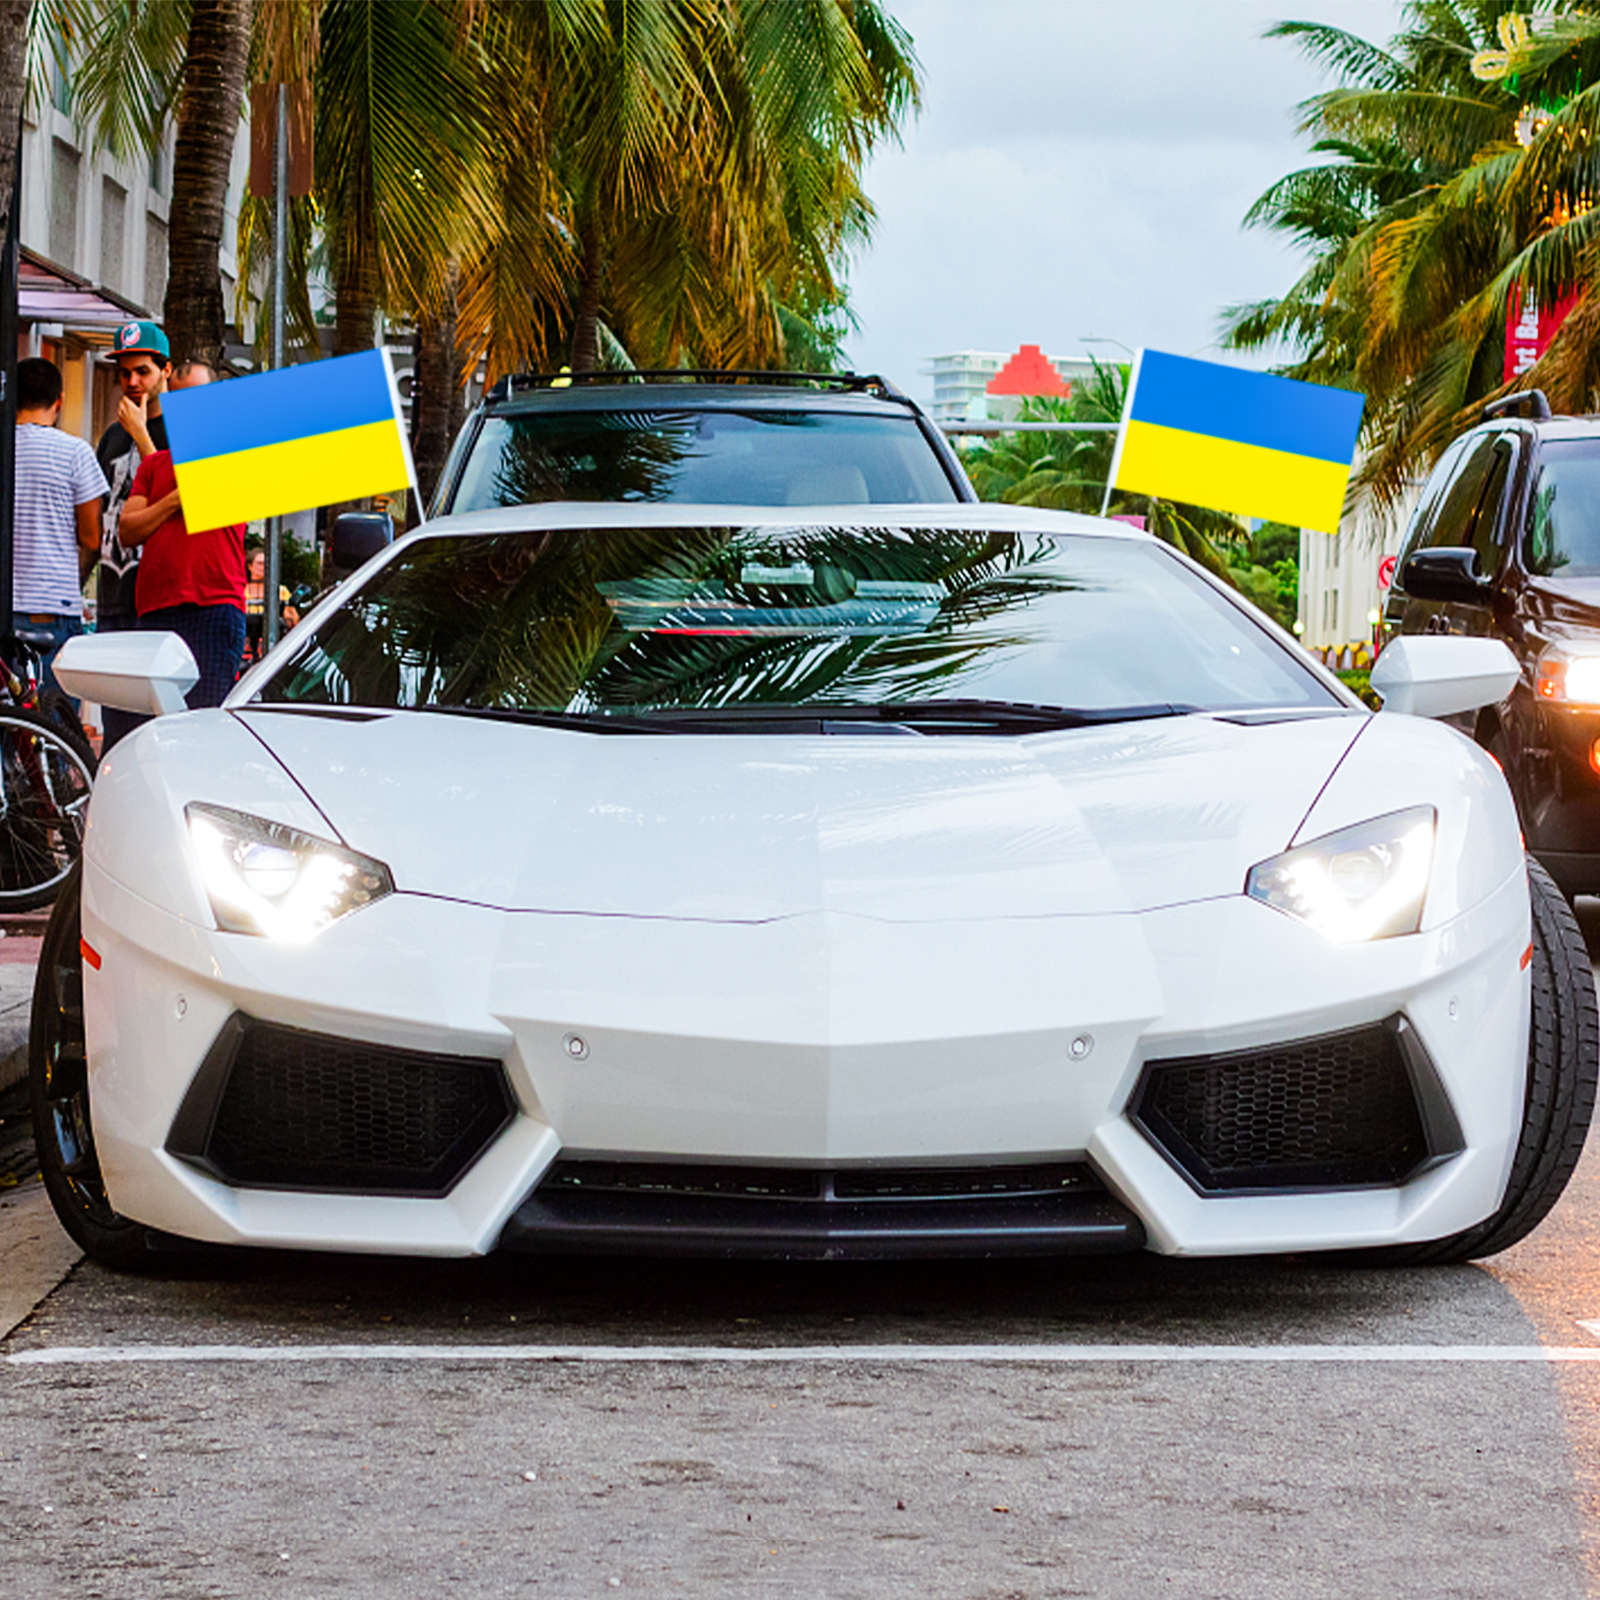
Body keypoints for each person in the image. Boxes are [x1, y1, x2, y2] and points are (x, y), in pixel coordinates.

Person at [118, 361, 248, 709]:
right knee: (154, 722)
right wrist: (174, 501)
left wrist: (159, 502)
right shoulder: (154, 465)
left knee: (203, 719)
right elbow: (127, 530)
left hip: (212, 607)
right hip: (156, 610)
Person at [94, 320, 171, 747]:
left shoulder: (179, 429)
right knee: (115, 728)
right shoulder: (111, 436)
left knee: (151, 729)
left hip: (157, 599)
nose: (133, 382)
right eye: (124, 373)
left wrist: (142, 434)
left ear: (166, 370)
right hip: (113, 596)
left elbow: (178, 496)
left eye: (143, 371)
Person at [12, 357, 108, 695]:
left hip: (5, 603)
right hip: (53, 607)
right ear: (59, 400)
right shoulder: (75, 452)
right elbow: (91, 538)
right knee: (54, 714)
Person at [243, 547, 300, 662]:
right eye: (259, 563)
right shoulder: (242, 591)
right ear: (250, 566)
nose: (263, 567)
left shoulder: (280, 591)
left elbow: (294, 621)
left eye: (266, 564)